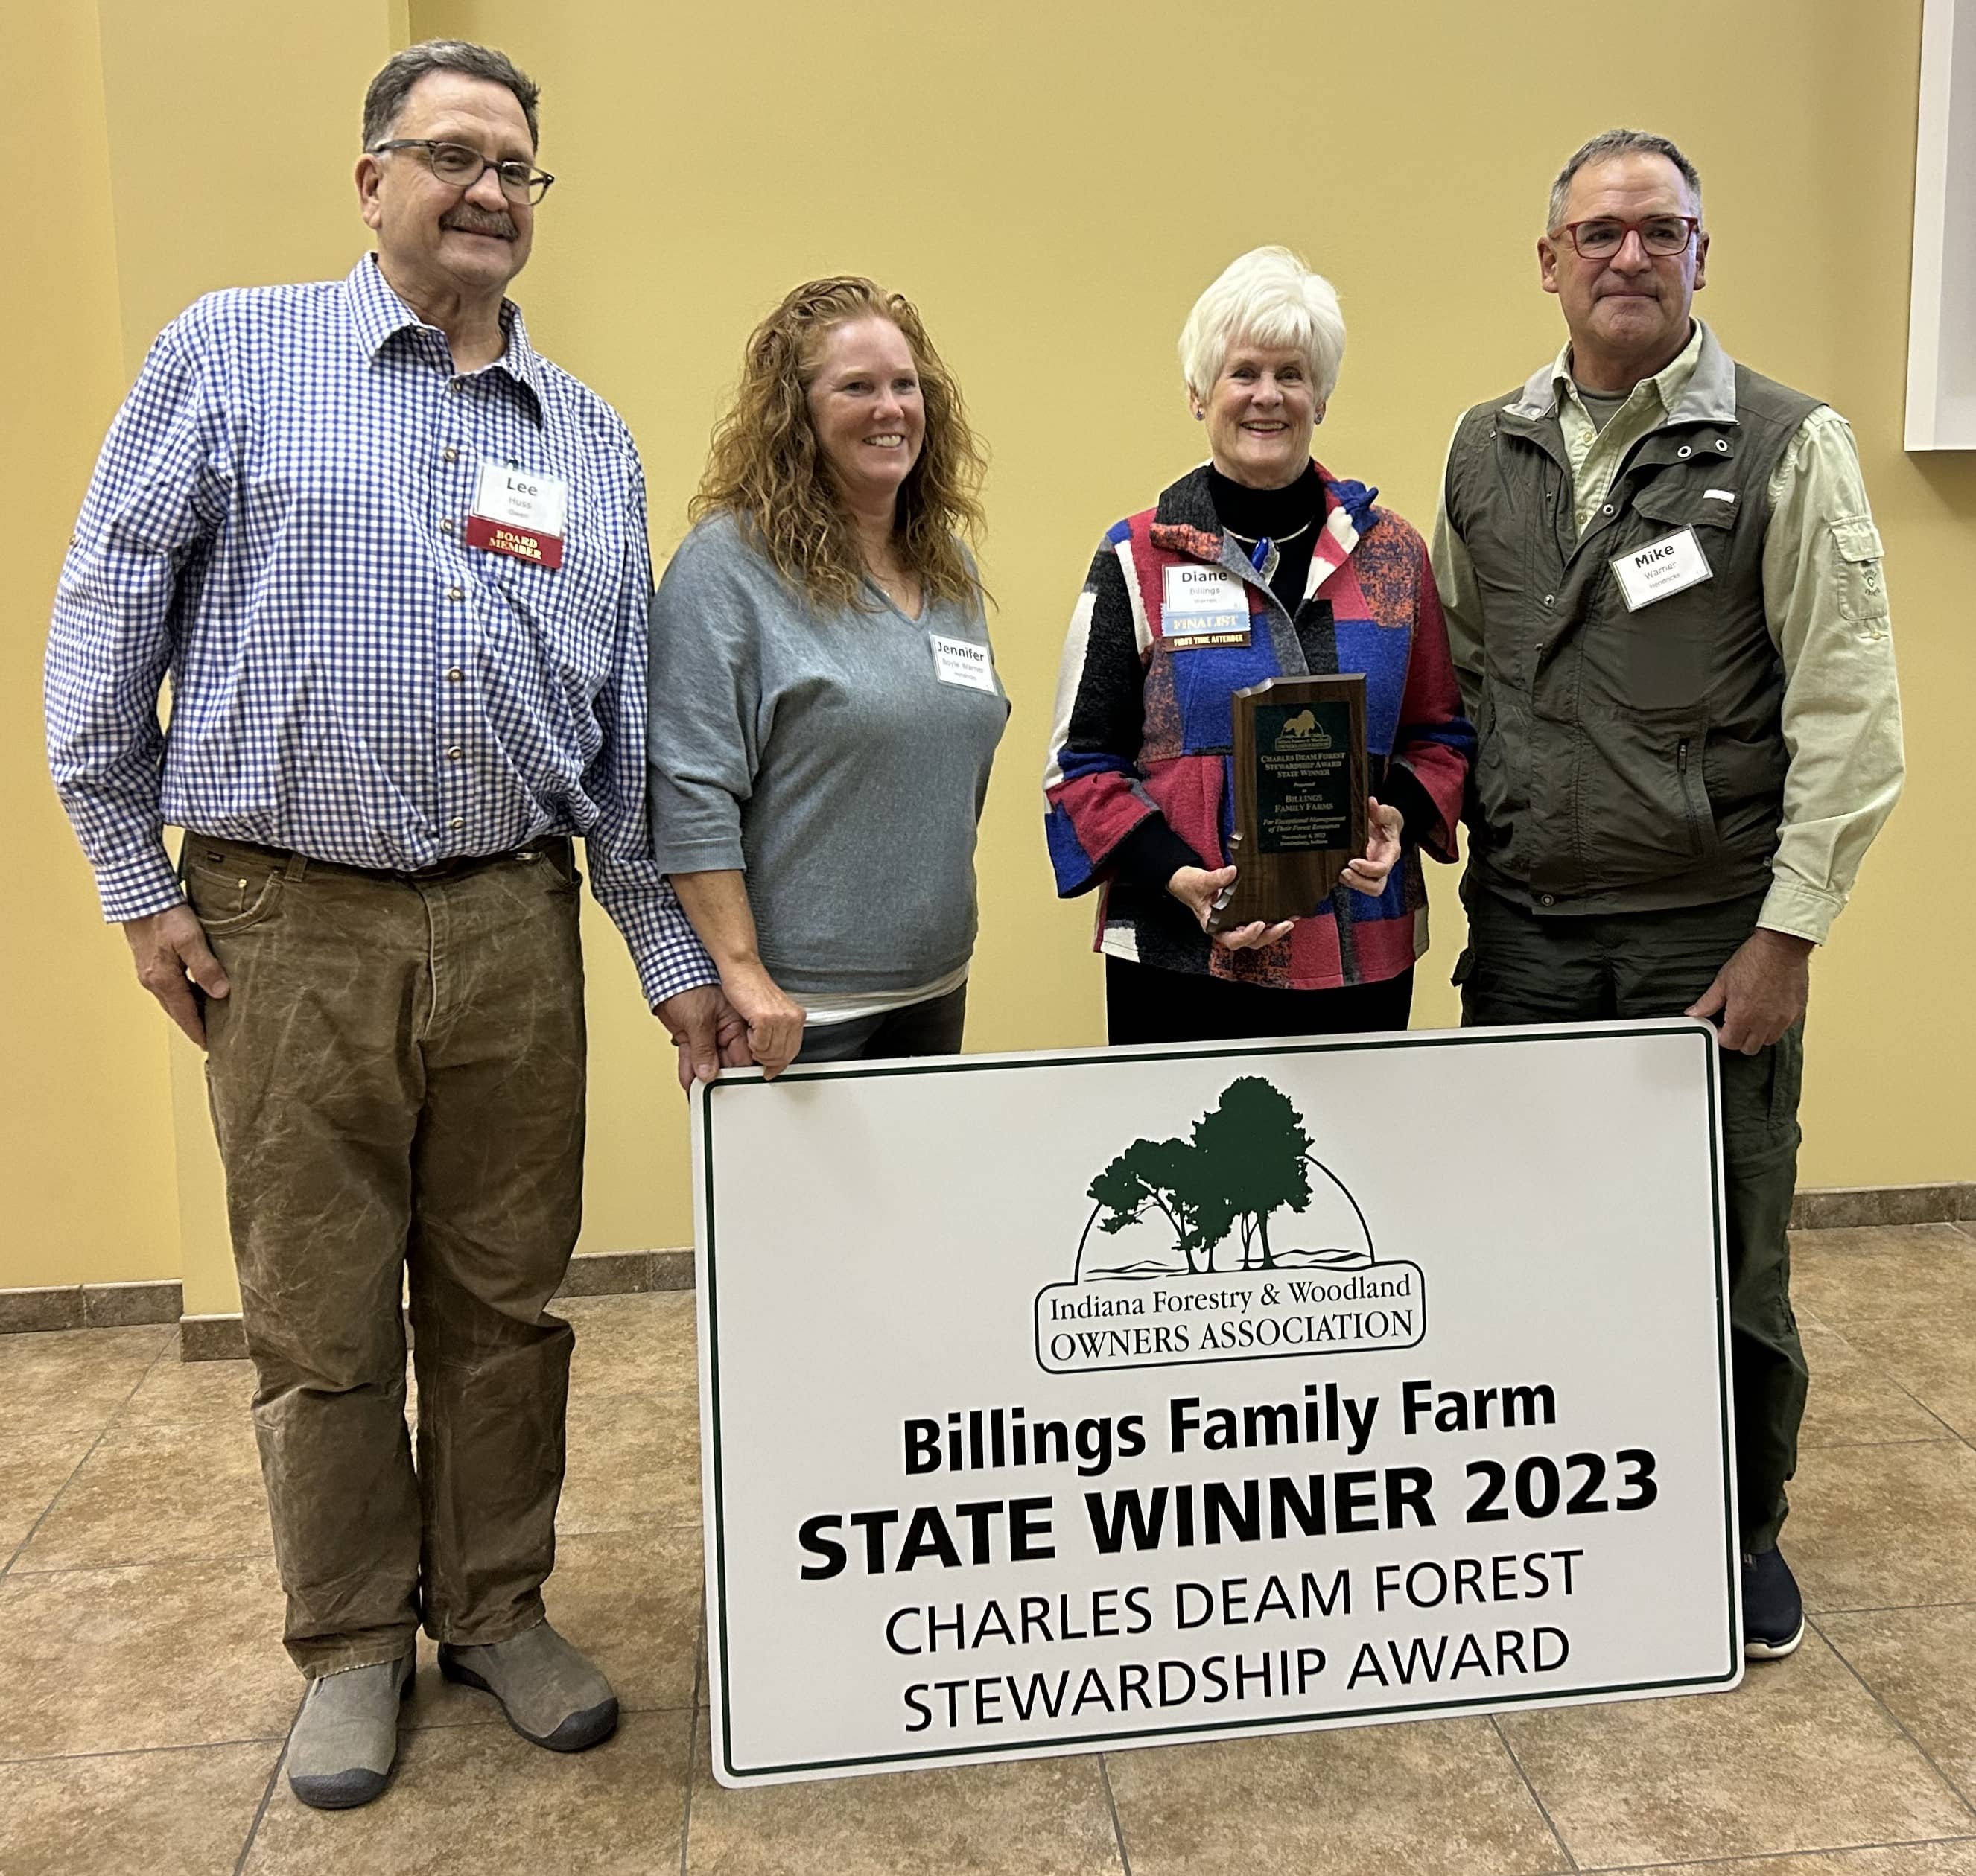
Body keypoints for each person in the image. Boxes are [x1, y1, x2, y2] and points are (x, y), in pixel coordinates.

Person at [44, 41, 721, 1808]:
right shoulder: (232, 354)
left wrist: (664, 963)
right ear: (371, 180)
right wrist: (135, 881)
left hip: (514, 920)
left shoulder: (590, 433)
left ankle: (496, 1602)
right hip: (288, 923)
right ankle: (349, 1639)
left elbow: (624, 737)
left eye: (517, 165)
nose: (487, 189)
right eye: (451, 154)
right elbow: (105, 620)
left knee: (507, 1298)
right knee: (320, 1311)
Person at [1432, 129, 1904, 1659]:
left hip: (1708, 935)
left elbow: (1849, 711)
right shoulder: (1482, 449)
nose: (1628, 254)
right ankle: (1555, 1517)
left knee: (1723, 1248)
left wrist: (1788, 932)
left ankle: (1734, 1527)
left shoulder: (1785, 445)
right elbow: (1456, 679)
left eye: (1661, 228)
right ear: (1549, 258)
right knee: (1526, 1239)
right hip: (1523, 932)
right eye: (1600, 231)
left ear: (1704, 253)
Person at [1043, 247, 1473, 1045]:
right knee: (1190, 1167)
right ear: (1199, 392)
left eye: (1292, 372)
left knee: (1348, 1170)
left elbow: (1440, 736)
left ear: (1323, 394)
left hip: (1357, 951)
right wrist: (1179, 876)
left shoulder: (1392, 556)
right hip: (1179, 958)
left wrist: (1398, 817)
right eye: (1243, 372)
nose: (1267, 395)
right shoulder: (1134, 557)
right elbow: (1080, 766)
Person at [648, 278, 1007, 1075]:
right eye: (856, 387)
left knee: (918, 1206)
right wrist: (739, 971)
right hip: (792, 1010)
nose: (890, 408)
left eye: (904, 384)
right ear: (797, 414)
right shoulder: (729, 567)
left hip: (935, 985)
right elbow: (688, 786)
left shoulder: (946, 564)